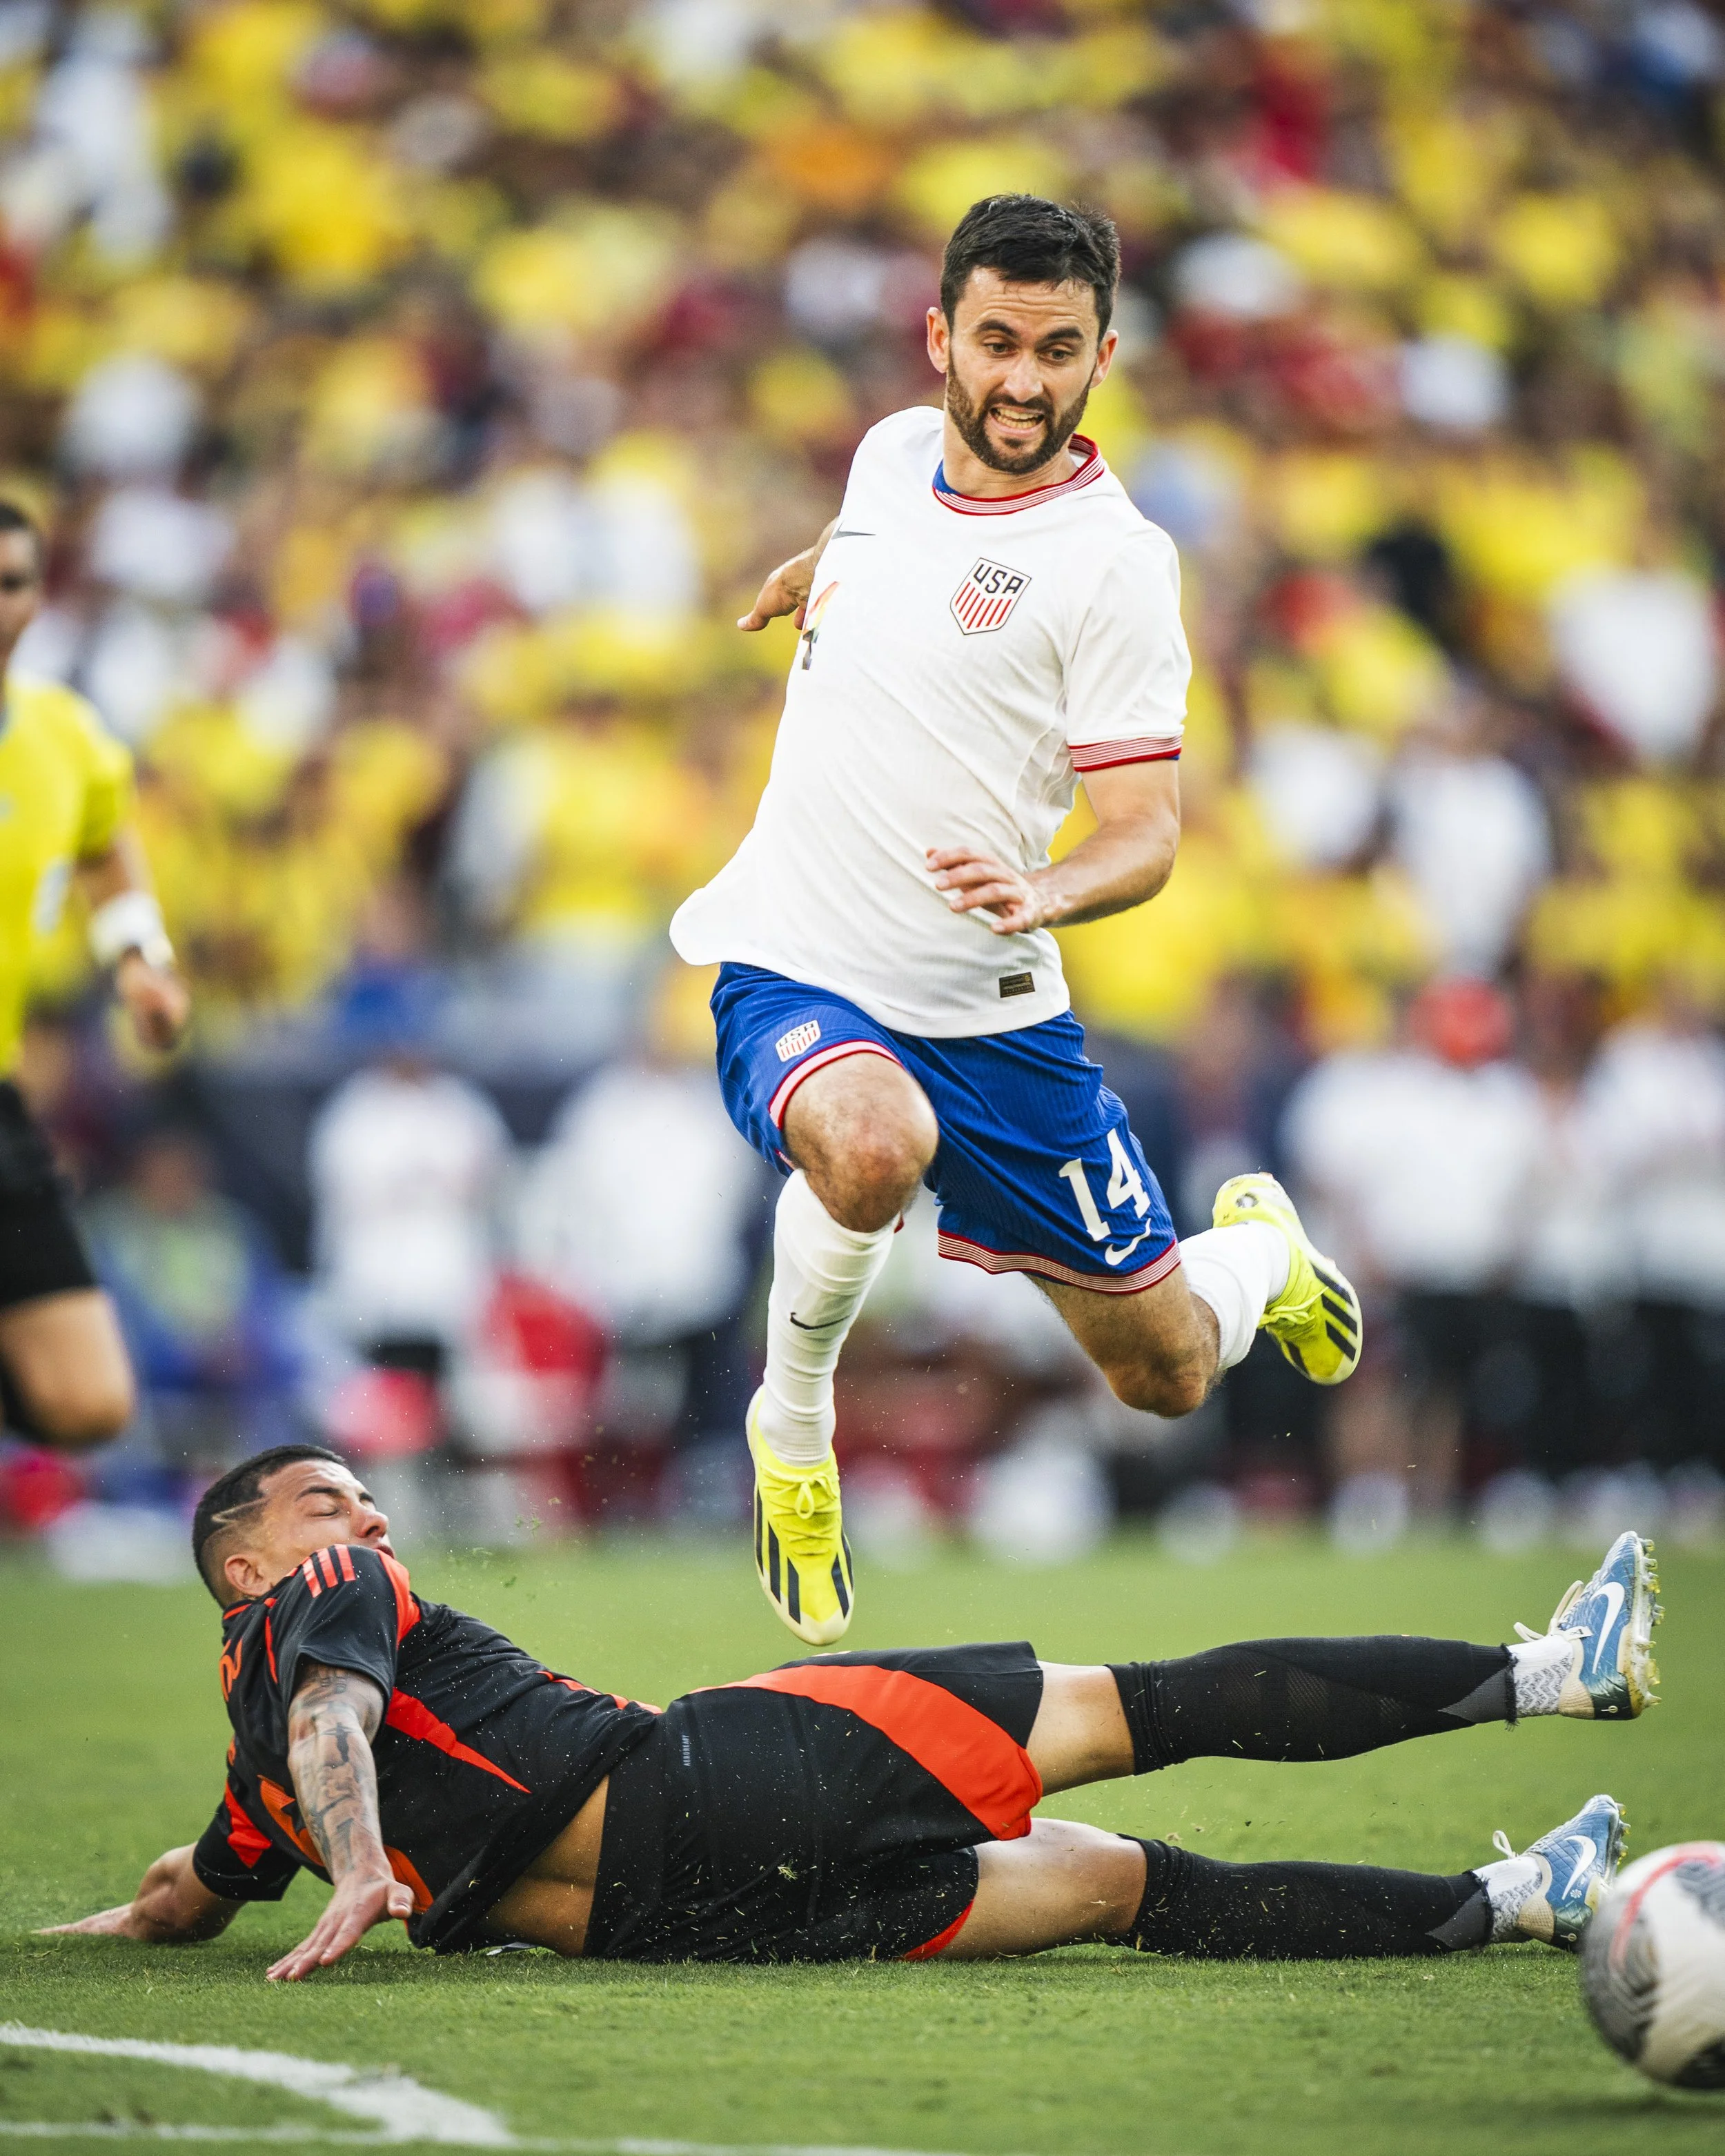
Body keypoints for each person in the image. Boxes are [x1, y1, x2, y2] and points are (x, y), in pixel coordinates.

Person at [669, 195, 1363, 1643]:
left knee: (1167, 1370)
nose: (1022, 381)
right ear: (939, 338)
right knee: (871, 1144)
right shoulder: (883, 455)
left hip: (988, 1005)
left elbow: (1145, 832)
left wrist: (1044, 890)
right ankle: (792, 1433)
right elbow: (894, 547)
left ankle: (1260, 1257)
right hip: (799, 951)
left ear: (1103, 355)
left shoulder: (1116, 565)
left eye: (1057, 351)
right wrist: (819, 570)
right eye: (996, 342)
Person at [47, 1445, 1657, 1979]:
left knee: (1116, 1884)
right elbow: (334, 1722)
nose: (369, 1518)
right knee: (1137, 1707)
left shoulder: (252, 1777)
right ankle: (1549, 1671)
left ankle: (1522, 1898)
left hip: (688, 1928)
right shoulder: (324, 1607)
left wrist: (97, 1931)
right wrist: (353, 1866)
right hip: (722, 1779)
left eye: (366, 1497)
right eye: (328, 1497)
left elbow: (195, 1886)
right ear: (246, 1561)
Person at [0, 497, 189, 1450]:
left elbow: (105, 841)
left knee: (88, 1402)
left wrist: (139, 955)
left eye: (13, 583)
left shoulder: (61, 733)